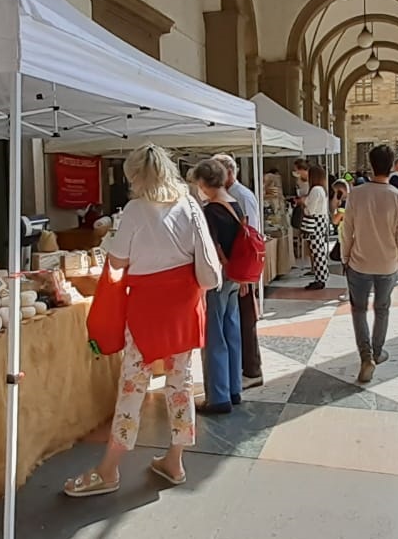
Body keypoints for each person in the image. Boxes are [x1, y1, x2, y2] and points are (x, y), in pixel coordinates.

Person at [63, 145, 218, 496]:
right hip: (186, 306)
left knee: (133, 386)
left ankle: (109, 470)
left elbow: (117, 262)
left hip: (148, 309)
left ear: (135, 176)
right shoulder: (189, 203)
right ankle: (175, 460)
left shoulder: (135, 210)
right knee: (181, 383)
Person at [341, 145, 398, 383]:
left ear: (371, 164)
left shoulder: (356, 194)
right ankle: (378, 352)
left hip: (359, 262)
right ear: (391, 166)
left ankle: (365, 355)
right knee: (382, 309)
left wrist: (345, 257)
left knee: (358, 310)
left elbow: (346, 230)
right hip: (387, 264)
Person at [193, 159, 244, 415]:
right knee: (232, 329)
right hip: (235, 274)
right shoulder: (236, 203)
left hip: (217, 276)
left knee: (214, 335)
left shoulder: (209, 210)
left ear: (202, 183)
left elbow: (206, 247)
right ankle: (234, 388)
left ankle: (218, 396)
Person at [212, 154, 263, 390]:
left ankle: (251, 369)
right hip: (237, 266)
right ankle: (245, 368)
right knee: (240, 318)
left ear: (229, 172)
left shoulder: (240, 195)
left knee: (245, 319)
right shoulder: (235, 195)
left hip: (241, 266)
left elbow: (249, 235)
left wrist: (244, 274)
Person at [301, 165, 331, 290]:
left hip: (315, 221)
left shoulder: (315, 190)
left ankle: (320, 278)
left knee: (316, 250)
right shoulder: (322, 189)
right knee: (319, 250)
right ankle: (322, 276)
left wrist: (303, 203)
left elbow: (310, 209)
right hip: (321, 220)